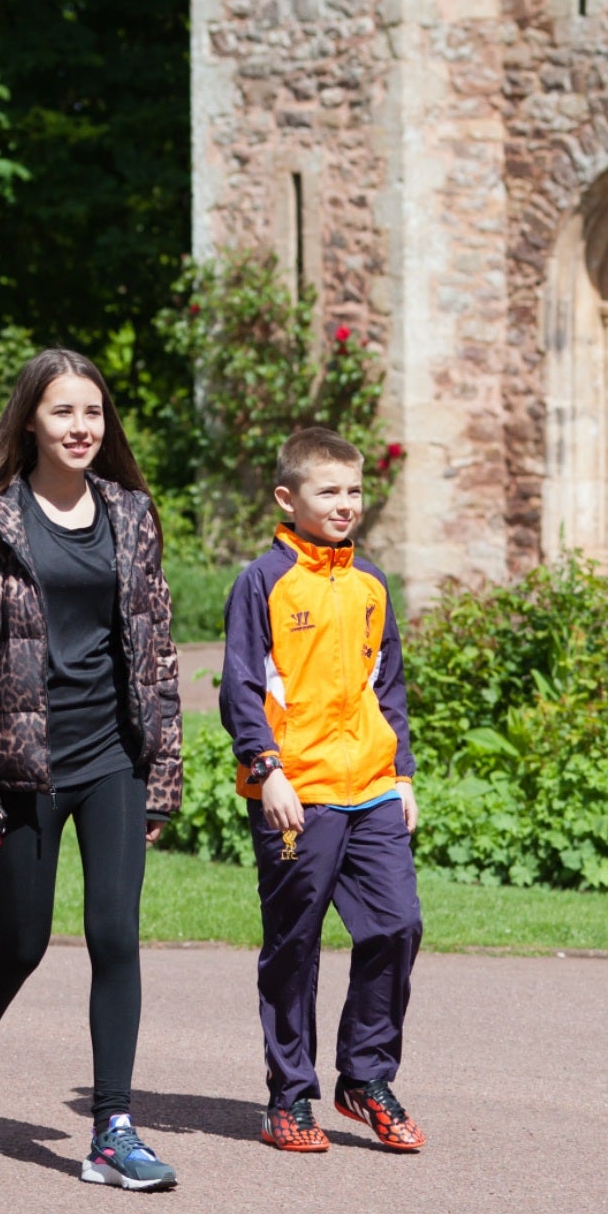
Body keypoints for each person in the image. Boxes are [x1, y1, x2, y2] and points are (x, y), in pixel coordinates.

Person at [0, 349, 185, 1191]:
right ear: (31, 419)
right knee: (24, 942)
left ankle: (113, 1128)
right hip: (22, 766)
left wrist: (163, 772)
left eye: (94, 414)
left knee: (116, 935)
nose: (82, 428)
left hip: (113, 756)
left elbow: (158, 650)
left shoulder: (131, 515)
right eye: (65, 412)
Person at [220, 426, 425, 1154]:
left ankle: (365, 1078)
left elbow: (388, 686)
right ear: (288, 497)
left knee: (396, 926)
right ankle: (289, 1095)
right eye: (328, 491)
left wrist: (399, 775)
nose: (345, 504)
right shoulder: (263, 581)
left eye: (354, 490)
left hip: (370, 784)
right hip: (294, 792)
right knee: (294, 946)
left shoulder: (370, 583)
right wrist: (266, 768)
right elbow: (241, 686)